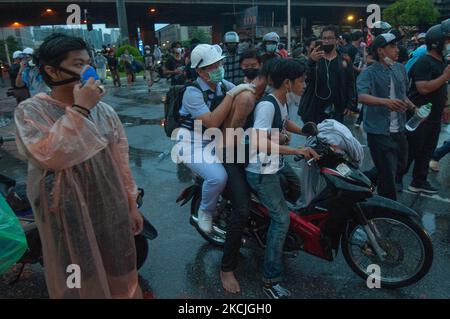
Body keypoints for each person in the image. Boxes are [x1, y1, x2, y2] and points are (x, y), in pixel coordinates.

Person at [14, 33, 144, 298]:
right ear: (52, 70)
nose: (87, 71)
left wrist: (131, 204)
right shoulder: (31, 111)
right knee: (78, 277)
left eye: (87, 62)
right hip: (64, 211)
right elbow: (50, 156)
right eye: (77, 64)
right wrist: (81, 109)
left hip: (108, 205)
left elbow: (121, 161)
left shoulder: (105, 111)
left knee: (120, 270)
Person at [246, 58, 319, 299]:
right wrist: (297, 150)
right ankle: (271, 279)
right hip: (262, 171)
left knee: (297, 190)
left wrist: (304, 130)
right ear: (287, 83)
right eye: (301, 80)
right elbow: (258, 141)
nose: (305, 84)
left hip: (276, 164)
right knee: (282, 219)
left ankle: (275, 239)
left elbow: (285, 122)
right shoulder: (267, 106)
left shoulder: (281, 100)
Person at [175, 44, 254, 234]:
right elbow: (212, 121)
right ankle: (205, 211)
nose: (219, 68)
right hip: (191, 145)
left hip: (215, 141)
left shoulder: (223, 85)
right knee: (218, 177)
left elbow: (245, 100)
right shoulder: (192, 92)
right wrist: (232, 94)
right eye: (213, 66)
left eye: (220, 63)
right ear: (200, 71)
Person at [357, 33, 415, 200]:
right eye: (393, 46)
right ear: (381, 51)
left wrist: (414, 107)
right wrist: (386, 102)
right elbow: (361, 96)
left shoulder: (400, 69)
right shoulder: (369, 72)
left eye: (397, 46)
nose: (397, 50)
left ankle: (364, 181)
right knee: (388, 176)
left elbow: (402, 94)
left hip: (400, 129)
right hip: (378, 130)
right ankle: (388, 212)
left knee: (401, 165)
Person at [402, 20, 450, 194]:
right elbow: (423, 88)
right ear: (437, 41)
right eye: (448, 41)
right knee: (412, 150)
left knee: (427, 150)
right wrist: (445, 76)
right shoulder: (424, 61)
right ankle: (394, 179)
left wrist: (446, 105)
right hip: (419, 115)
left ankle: (418, 181)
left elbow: (442, 89)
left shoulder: (442, 61)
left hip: (435, 116)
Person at [298, 25, 356, 124]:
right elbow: (304, 79)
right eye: (324, 38)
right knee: (315, 138)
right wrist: (311, 61)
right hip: (315, 109)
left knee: (336, 138)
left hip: (337, 109)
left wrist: (351, 104)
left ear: (337, 40)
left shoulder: (344, 60)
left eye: (330, 38)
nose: (326, 41)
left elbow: (351, 83)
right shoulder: (315, 59)